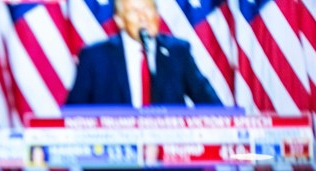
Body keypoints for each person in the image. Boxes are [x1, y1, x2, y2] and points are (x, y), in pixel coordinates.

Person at [64, 0, 221, 107]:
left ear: (157, 15)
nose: (143, 17)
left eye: (148, 9)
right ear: (120, 20)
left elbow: (211, 105)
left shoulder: (177, 52)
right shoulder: (95, 57)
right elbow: (74, 113)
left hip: (167, 149)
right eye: (134, 11)